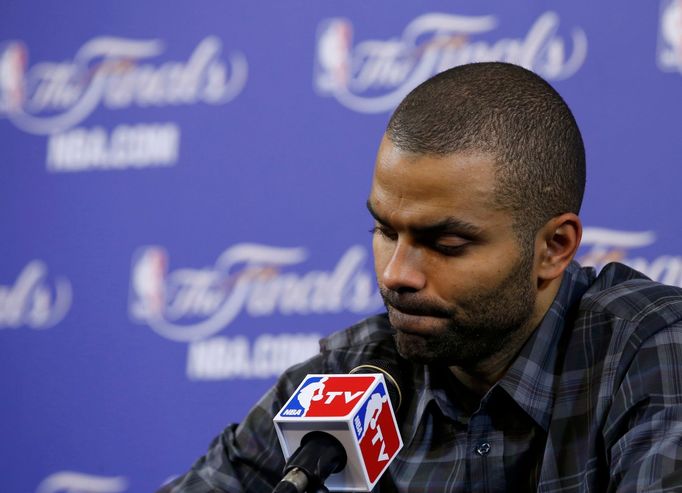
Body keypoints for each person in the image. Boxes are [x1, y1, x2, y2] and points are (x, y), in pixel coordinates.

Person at [162, 62, 682, 492]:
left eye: (446, 245)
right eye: (385, 231)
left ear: (554, 248)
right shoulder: (345, 379)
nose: (395, 275)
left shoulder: (652, 352)